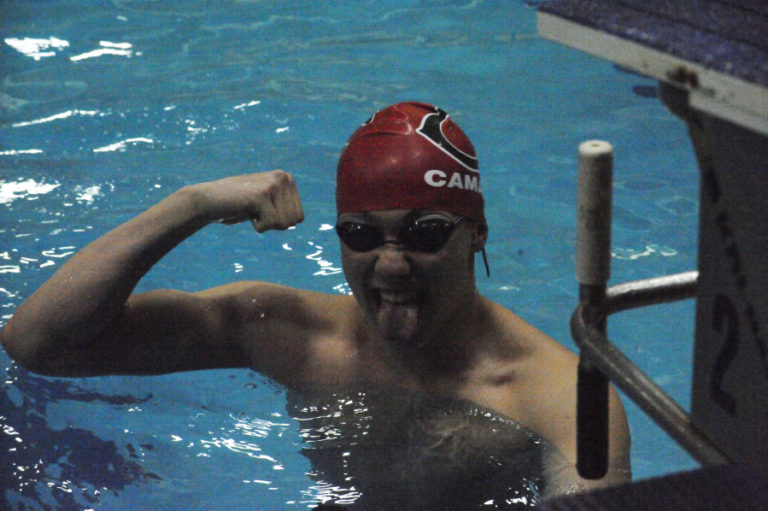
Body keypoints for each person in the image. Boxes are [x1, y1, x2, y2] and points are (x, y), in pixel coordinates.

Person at [1, 102, 630, 507]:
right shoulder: (288, 334)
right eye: (361, 236)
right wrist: (188, 206)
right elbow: (39, 343)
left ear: (478, 232)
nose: (389, 265)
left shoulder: (562, 399)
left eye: (425, 234)